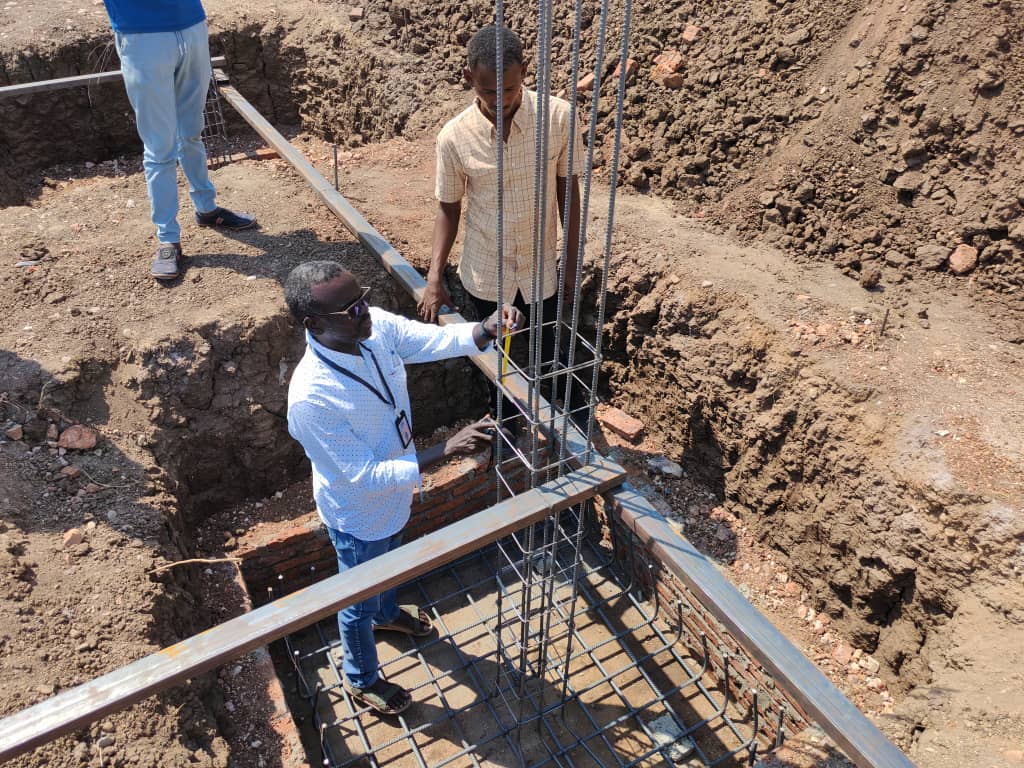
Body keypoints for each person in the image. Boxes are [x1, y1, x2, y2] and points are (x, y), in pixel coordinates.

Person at [284, 260, 523, 716]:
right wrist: (442, 451)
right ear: (314, 323)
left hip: (397, 495)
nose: (365, 311)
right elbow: (364, 478)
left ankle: (387, 614)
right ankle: (362, 678)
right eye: (350, 309)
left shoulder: (372, 330)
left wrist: (487, 329)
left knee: (390, 563)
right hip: (359, 513)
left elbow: (432, 341)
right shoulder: (312, 399)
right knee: (355, 598)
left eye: (363, 299)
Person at [420, 24, 587, 429]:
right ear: (467, 79)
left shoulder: (559, 118)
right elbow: (449, 207)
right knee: (497, 358)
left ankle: (570, 421)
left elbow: (570, 193)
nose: (500, 100)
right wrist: (433, 277)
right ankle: (505, 422)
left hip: (539, 266)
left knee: (547, 348)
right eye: (487, 91)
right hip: (486, 269)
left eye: (509, 90)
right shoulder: (455, 137)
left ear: (524, 73)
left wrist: (572, 261)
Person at [102, 0, 257, 281]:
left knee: (191, 131)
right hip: (141, 33)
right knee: (160, 146)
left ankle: (207, 209)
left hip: (191, 26)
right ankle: (168, 240)